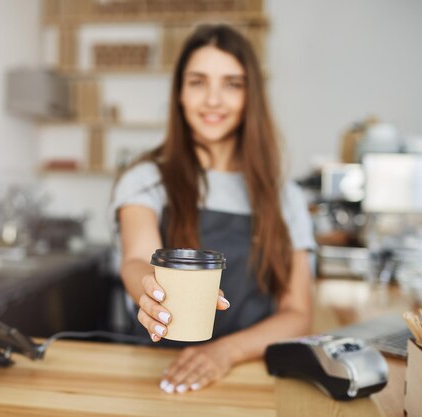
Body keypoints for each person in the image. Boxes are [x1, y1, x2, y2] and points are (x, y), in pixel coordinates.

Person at [110, 24, 315, 394]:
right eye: (198, 82)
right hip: (160, 376)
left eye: (232, 84)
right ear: (180, 95)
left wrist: (225, 352)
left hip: (251, 376)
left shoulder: (286, 198)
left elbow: (298, 313)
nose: (213, 100)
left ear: (250, 95)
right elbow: (137, 258)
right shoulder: (145, 179)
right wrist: (148, 292)